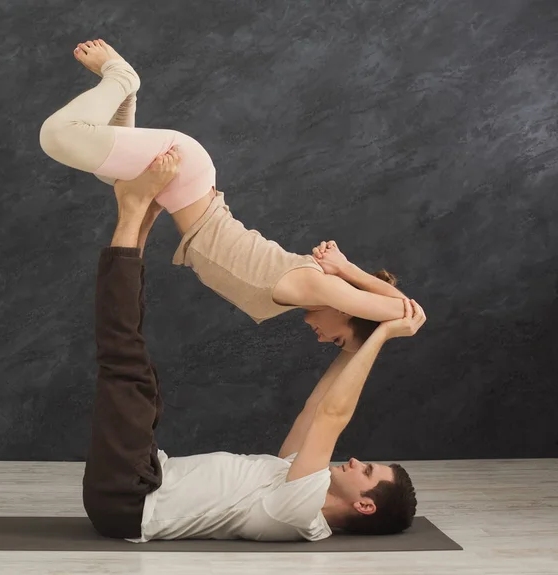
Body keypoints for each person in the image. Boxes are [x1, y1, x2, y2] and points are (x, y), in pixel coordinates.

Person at [82, 155, 426, 542]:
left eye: (366, 472)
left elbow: (334, 414)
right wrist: (363, 336)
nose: (356, 460)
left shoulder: (302, 510)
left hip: (130, 500)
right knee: (139, 375)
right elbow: (317, 408)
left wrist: (381, 335)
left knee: (126, 362)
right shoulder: (294, 477)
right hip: (145, 475)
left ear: (365, 505)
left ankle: (132, 209)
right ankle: (140, 213)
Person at [40, 39, 419, 353]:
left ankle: (125, 102)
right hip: (186, 171)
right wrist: (347, 270)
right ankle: (122, 77)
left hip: (181, 187)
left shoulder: (302, 292)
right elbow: (406, 310)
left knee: (111, 171)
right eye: (338, 340)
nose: (323, 340)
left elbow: (397, 309)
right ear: (348, 310)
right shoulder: (316, 284)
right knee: (57, 135)